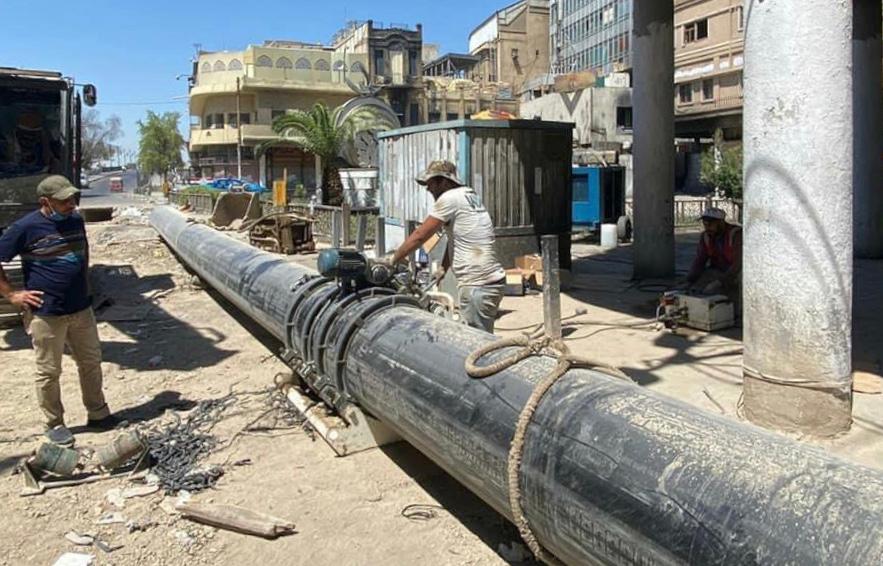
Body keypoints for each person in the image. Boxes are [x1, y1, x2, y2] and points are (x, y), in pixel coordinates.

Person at [0, 175, 118, 446]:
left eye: (72, 198)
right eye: (63, 201)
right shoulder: (25, 228)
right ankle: (54, 424)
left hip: (81, 309)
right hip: (46, 313)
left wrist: (85, 287)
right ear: (45, 202)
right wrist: (11, 294)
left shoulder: (75, 220)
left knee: (90, 362)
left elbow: (83, 253)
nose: (71, 204)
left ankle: (98, 413)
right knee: (49, 371)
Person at [391, 160, 506, 333]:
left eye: (431, 183)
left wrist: (393, 260)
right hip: (489, 282)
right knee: (480, 338)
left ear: (444, 182)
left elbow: (420, 235)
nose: (428, 189)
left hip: (478, 285)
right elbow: (455, 239)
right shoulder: (468, 195)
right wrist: (444, 268)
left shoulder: (449, 199)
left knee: (477, 342)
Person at [686, 207, 742, 301]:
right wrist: (690, 279)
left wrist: (720, 282)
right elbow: (700, 260)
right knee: (698, 286)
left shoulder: (736, 234)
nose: (707, 227)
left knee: (737, 282)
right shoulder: (706, 236)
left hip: (736, 272)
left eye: (710, 224)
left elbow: (738, 264)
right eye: (705, 224)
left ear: (721, 223)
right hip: (718, 269)